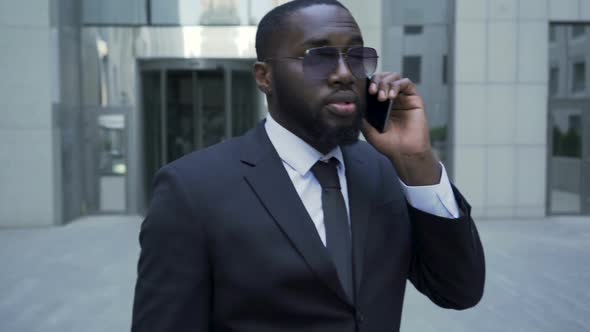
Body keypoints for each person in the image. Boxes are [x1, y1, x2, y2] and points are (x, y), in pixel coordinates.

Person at [131, 1, 485, 331]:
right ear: (264, 77)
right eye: (319, 57)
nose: (345, 74)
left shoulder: (386, 171)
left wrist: (417, 161)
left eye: (357, 56)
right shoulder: (192, 190)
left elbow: (458, 290)